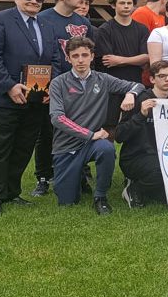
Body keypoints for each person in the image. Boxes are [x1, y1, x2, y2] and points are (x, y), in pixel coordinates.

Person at [0, 0, 61, 215]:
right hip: (2, 99)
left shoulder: (45, 25)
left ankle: (11, 192)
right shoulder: (0, 20)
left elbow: (54, 59)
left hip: (34, 101)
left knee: (23, 148)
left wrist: (50, 88)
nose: (34, 2)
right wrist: (9, 86)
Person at [48, 37, 142, 214]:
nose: (80, 60)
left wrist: (130, 94)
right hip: (66, 146)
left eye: (85, 55)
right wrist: (90, 134)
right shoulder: (58, 83)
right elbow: (57, 118)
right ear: (68, 58)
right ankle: (79, 177)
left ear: (92, 56)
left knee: (106, 149)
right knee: (67, 201)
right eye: (75, 56)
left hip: (93, 144)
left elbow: (138, 85)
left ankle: (100, 197)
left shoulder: (103, 79)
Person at [32, 0, 93, 198]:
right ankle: (43, 177)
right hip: (51, 85)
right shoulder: (42, 20)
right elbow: (42, 55)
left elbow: (90, 55)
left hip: (79, 85)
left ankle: (79, 174)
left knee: (79, 128)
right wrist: (50, 85)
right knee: (47, 132)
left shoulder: (83, 22)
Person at [114, 59, 168, 207]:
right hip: (135, 157)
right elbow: (119, 135)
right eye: (162, 76)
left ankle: (146, 184)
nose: (167, 79)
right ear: (152, 79)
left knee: (167, 194)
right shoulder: (138, 100)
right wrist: (141, 115)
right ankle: (133, 190)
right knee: (161, 171)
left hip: (163, 155)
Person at [94, 0, 149, 133]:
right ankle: (109, 155)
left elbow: (146, 57)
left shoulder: (142, 29)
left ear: (133, 5)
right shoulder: (105, 29)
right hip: (111, 85)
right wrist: (134, 59)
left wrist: (120, 60)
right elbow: (107, 60)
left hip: (135, 84)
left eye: (129, 3)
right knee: (109, 127)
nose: (126, 6)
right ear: (113, 5)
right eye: (122, 3)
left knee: (134, 126)